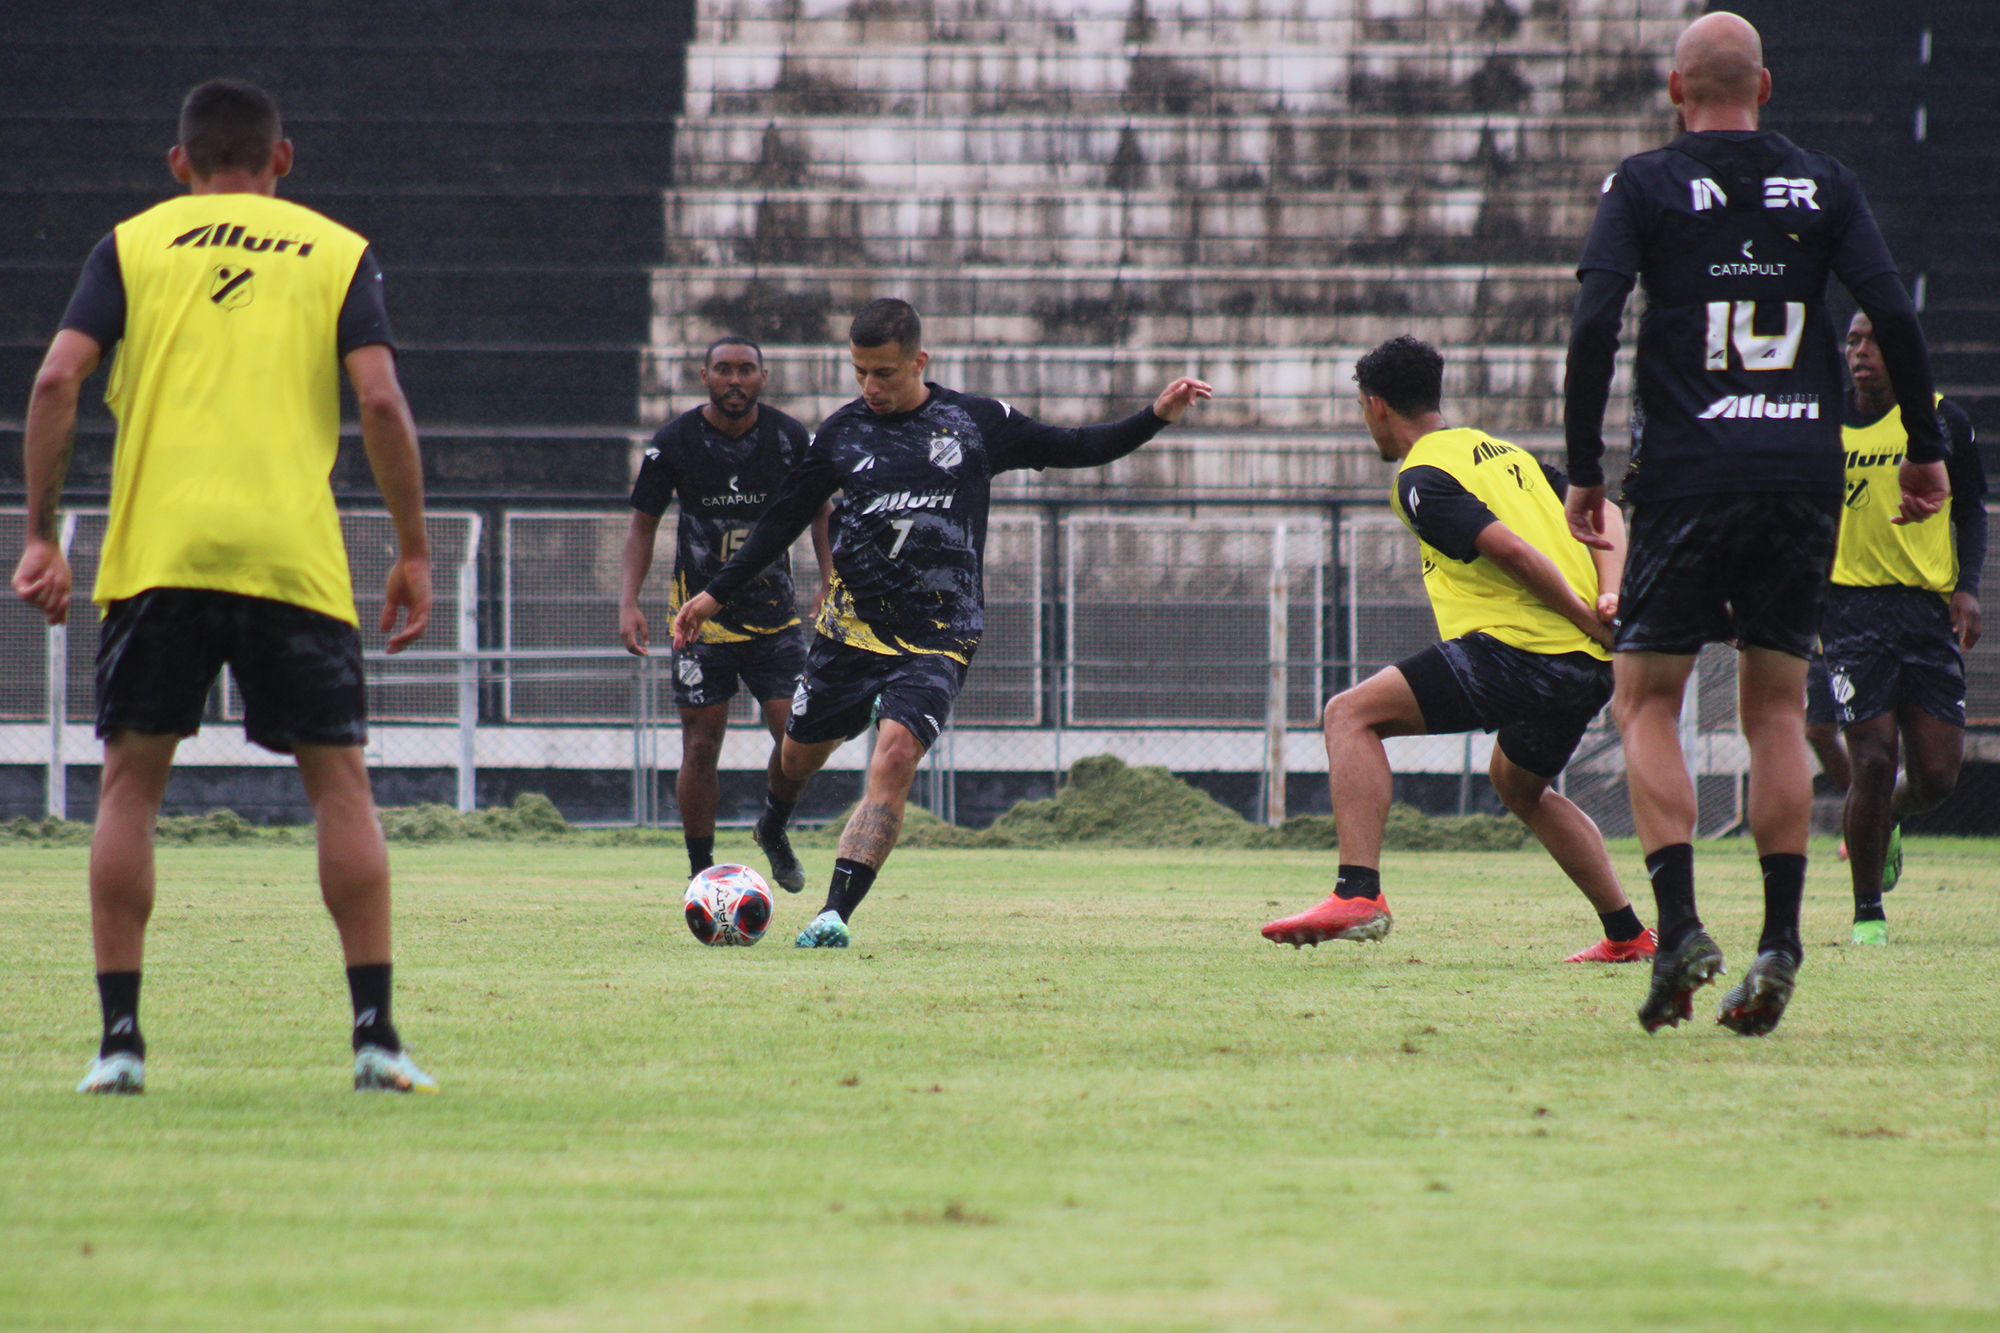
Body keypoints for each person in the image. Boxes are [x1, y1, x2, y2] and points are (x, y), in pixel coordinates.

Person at [10, 81, 437, 1094]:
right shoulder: (336, 249)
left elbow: (55, 381)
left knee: (130, 788)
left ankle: (119, 1046)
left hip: (158, 552)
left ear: (179, 163)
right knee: (340, 787)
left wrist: (38, 534)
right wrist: (413, 549)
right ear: (281, 160)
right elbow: (378, 396)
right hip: (289, 555)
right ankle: (375, 1037)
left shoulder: (130, 245)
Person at [1562, 13, 1951, 1035]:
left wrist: (1580, 470)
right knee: (1775, 709)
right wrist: (1921, 443)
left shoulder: (1642, 184)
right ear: (1765, 87)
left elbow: (1594, 322)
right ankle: (1780, 938)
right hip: (1798, 473)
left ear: (1672, 87)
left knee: (1644, 700)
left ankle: (1682, 921)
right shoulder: (1821, 182)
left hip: (1687, 474)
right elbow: (1892, 315)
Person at [671, 298, 1210, 947]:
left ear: (920, 362)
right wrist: (712, 597)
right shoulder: (840, 433)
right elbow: (780, 521)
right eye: (860, 372)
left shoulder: (974, 423)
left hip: (938, 635)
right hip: (848, 634)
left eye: (885, 373)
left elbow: (1075, 447)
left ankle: (833, 912)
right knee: (796, 756)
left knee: (894, 755)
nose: (871, 387)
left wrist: (1154, 416)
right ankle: (772, 822)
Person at [1262, 336, 1652, 963]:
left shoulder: (1421, 476)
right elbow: (1602, 508)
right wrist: (1608, 604)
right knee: (1519, 784)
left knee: (1349, 715)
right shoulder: (1506, 456)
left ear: (1376, 405)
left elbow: (1513, 554)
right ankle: (1628, 933)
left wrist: (1588, 615)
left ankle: (1358, 893)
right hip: (1586, 666)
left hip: (1525, 653)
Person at [619, 336, 832, 890]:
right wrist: (628, 602)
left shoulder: (789, 438)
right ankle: (701, 872)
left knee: (796, 735)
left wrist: (831, 579)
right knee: (700, 743)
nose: (734, 380)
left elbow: (822, 512)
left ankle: (774, 827)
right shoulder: (676, 442)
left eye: (746, 370)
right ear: (704, 376)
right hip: (699, 621)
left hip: (775, 619)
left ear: (764, 376)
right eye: (723, 370)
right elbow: (643, 523)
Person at [1828, 312, 1986, 944]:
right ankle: (1869, 914)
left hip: (1926, 613)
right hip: (1848, 610)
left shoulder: (1943, 420)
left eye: (1875, 342)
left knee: (1937, 779)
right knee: (1870, 758)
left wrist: (1967, 588)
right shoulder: (1822, 423)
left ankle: (1890, 814)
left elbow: (1971, 511)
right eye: (1853, 341)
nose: (1861, 352)